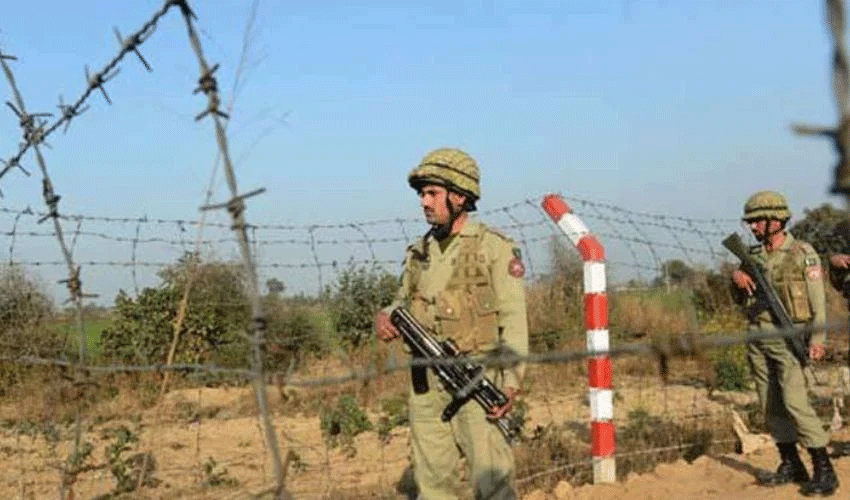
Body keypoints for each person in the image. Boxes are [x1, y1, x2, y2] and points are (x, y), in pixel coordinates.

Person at [374, 147, 528, 500]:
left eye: (432, 193)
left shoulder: (493, 248)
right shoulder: (419, 253)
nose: (424, 202)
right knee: (433, 485)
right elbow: (402, 300)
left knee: (493, 483)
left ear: (459, 197)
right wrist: (386, 315)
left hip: (477, 381)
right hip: (426, 386)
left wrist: (511, 384)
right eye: (421, 194)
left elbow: (514, 320)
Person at [731, 190, 838, 496]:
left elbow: (818, 303)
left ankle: (824, 470)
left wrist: (818, 340)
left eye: (757, 222)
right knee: (770, 405)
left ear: (775, 220)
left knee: (796, 403)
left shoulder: (802, 254)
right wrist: (736, 277)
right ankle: (791, 462)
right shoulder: (752, 256)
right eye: (749, 222)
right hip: (758, 338)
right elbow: (741, 297)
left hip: (791, 340)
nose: (752, 227)